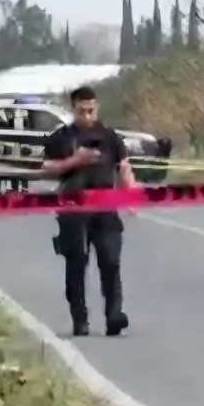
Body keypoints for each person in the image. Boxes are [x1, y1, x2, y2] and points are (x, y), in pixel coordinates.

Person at [41, 86, 137, 337]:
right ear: (73, 110)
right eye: (82, 111)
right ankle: (79, 318)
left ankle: (114, 316)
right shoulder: (61, 138)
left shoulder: (110, 137)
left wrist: (133, 196)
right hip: (73, 208)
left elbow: (124, 167)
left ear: (97, 108)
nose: (87, 116)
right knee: (76, 264)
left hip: (105, 207)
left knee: (111, 261)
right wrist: (76, 160)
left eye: (91, 110)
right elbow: (47, 170)